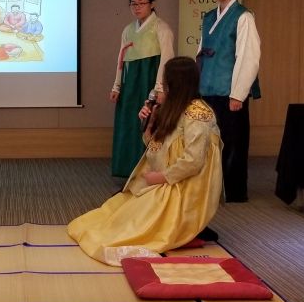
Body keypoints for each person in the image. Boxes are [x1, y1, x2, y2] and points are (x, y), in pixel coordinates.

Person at [69, 56, 223, 266]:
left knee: (135, 224)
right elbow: (155, 149)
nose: (161, 87)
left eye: (165, 81)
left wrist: (160, 177)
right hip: (168, 177)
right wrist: (149, 123)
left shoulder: (199, 114)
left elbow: (193, 161)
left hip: (186, 185)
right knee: (115, 214)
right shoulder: (172, 107)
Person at [197, 0, 260, 203]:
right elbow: (201, 53)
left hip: (230, 91)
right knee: (208, 142)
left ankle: (234, 192)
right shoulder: (209, 17)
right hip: (208, 89)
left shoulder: (243, 16)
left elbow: (248, 57)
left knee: (233, 142)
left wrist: (238, 94)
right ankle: (211, 188)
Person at [110, 0, 175, 179]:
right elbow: (121, 59)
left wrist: (161, 87)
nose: (137, 7)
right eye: (133, 4)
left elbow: (167, 59)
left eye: (142, 3)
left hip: (150, 79)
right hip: (130, 83)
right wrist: (117, 85)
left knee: (148, 122)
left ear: (152, 4)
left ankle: (147, 170)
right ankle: (127, 169)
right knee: (129, 123)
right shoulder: (128, 29)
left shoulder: (161, 27)